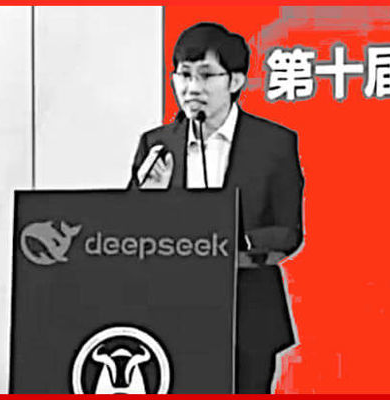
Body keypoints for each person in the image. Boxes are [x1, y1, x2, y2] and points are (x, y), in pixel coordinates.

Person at [129, 22, 304, 394]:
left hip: (248, 316)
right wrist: (150, 197)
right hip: (170, 311)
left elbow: (288, 231)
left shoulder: (274, 143)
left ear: (235, 81)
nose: (192, 88)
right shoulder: (156, 146)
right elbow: (129, 235)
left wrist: (226, 243)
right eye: (184, 75)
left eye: (206, 76)